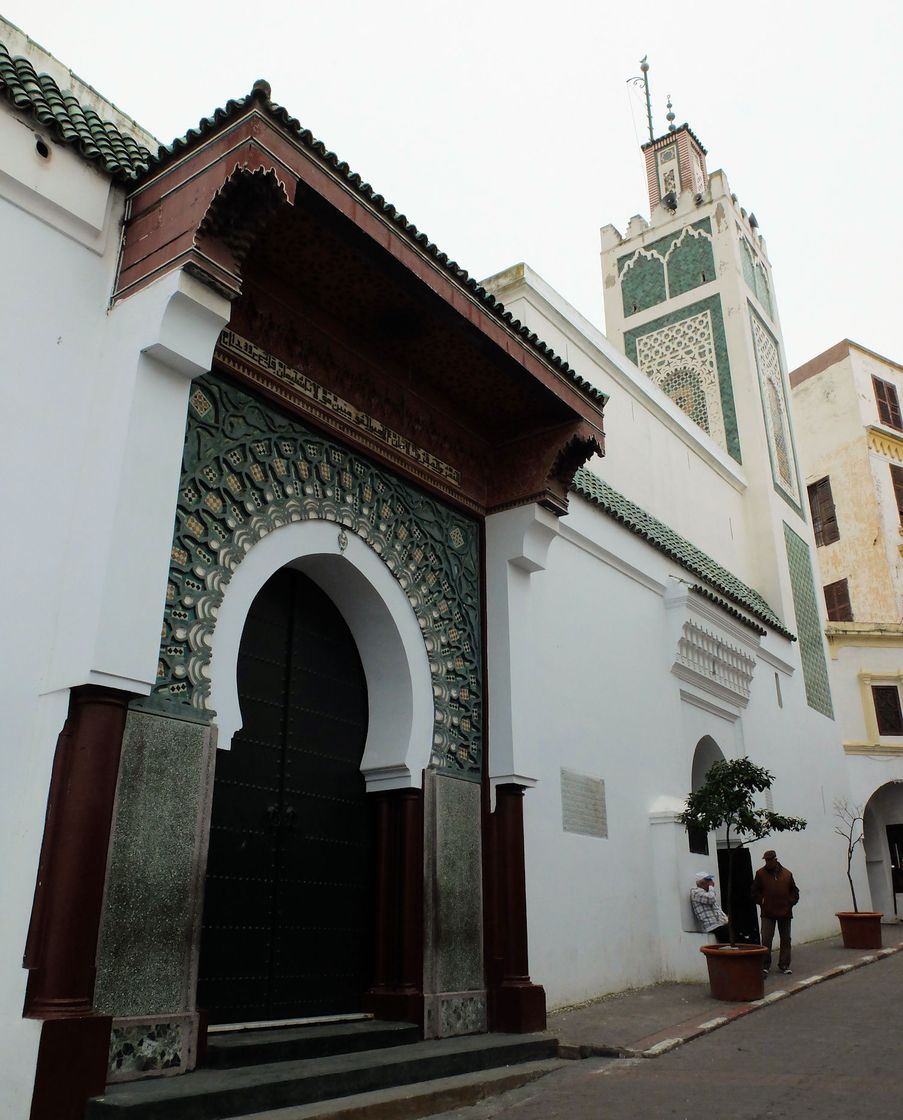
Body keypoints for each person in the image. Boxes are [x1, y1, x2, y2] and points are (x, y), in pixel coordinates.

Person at [751, 849, 799, 975]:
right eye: (766, 860)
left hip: (785, 911)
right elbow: (754, 891)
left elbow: (794, 891)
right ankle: (765, 965)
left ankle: (784, 964)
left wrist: (790, 902)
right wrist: (762, 901)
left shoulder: (787, 874)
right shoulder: (760, 874)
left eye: (769, 860)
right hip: (767, 912)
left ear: (775, 860)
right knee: (766, 938)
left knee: (785, 939)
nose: (767, 863)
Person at [690, 872, 730, 942]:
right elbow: (711, 899)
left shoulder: (707, 893)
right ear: (701, 883)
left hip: (720, 924)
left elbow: (717, 909)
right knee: (727, 938)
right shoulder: (696, 892)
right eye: (708, 881)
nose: (711, 882)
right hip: (713, 926)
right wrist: (711, 887)